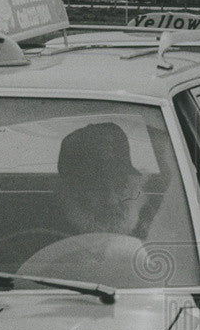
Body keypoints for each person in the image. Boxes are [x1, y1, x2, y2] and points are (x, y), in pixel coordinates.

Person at [18, 122, 152, 286]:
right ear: (68, 191)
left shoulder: (152, 231)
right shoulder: (38, 237)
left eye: (121, 186)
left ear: (134, 186)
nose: (111, 200)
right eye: (96, 187)